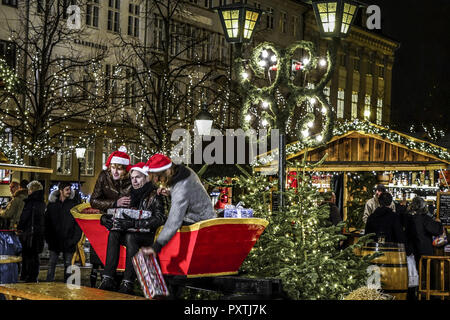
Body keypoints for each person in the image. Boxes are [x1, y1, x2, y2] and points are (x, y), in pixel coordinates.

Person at [98, 162, 166, 294]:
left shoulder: (154, 194)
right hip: (132, 232)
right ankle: (108, 278)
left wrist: (135, 224)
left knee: (130, 236)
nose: (134, 181)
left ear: (146, 178)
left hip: (149, 235)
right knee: (114, 233)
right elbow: (118, 211)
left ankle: (128, 281)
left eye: (138, 177)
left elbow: (160, 219)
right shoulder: (130, 194)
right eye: (132, 178)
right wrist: (104, 218)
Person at [141, 154, 216, 257]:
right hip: (204, 214)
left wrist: (156, 246)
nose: (159, 181)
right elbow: (189, 194)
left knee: (167, 227)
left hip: (199, 220)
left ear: (167, 171)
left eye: (159, 177)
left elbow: (174, 219)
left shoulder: (181, 186)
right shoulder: (184, 172)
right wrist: (170, 192)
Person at [89, 146, 132, 287]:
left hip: (126, 219)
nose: (115, 171)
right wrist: (114, 203)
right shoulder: (104, 176)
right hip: (108, 218)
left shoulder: (132, 179)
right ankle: (108, 278)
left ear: (125, 169)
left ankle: (124, 279)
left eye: (119, 168)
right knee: (111, 237)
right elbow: (94, 201)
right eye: (113, 167)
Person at [44, 182, 82, 282]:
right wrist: (48, 238)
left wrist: (74, 240)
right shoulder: (52, 205)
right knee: (51, 264)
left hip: (68, 240)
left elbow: (78, 224)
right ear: (61, 191)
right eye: (67, 189)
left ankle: (68, 286)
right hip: (54, 240)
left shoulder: (74, 205)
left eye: (70, 189)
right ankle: (48, 285)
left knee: (68, 265)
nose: (69, 191)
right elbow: (46, 222)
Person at [17, 181, 46, 282]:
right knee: (34, 256)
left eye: (29, 190)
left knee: (28, 255)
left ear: (32, 190)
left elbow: (24, 217)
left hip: (29, 234)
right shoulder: (42, 203)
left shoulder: (31, 202)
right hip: (38, 234)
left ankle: (28, 276)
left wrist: (19, 227)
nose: (28, 192)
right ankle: (33, 276)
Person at [408, 196, 443, 267]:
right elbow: (437, 230)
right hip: (425, 251)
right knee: (428, 274)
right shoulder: (425, 219)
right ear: (423, 206)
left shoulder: (408, 218)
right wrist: (438, 223)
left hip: (412, 251)